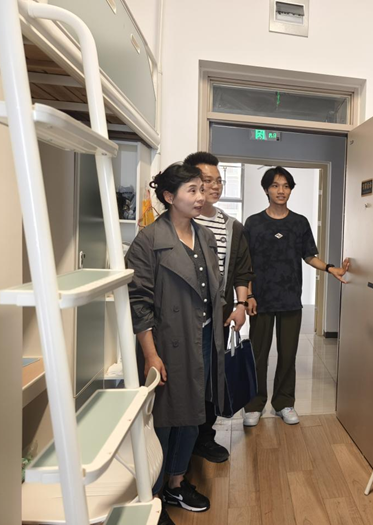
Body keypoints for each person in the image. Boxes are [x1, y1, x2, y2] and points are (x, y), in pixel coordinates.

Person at [126, 163, 226, 524]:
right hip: (167, 342)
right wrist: (150, 354)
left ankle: (177, 482)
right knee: (165, 419)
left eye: (202, 189)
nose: (201, 197)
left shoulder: (205, 236)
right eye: (192, 190)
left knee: (193, 413)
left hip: (203, 338)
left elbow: (214, 288)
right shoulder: (149, 241)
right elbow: (138, 303)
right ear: (169, 197)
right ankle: (152, 496)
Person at [242, 166, 350, 427]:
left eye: (286, 186)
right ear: (266, 189)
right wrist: (249, 295)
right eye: (275, 185)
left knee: (288, 354)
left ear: (290, 190)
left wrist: (330, 268)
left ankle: (284, 403)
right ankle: (254, 405)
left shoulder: (299, 222)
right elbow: (246, 263)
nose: (281, 190)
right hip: (261, 299)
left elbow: (309, 255)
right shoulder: (254, 223)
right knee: (258, 354)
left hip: (290, 299)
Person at [184, 151, 254, 464]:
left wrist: (240, 304)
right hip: (182, 318)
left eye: (218, 181)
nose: (214, 186)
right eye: (206, 181)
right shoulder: (179, 220)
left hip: (218, 317)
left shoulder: (231, 226)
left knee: (213, 377)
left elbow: (241, 270)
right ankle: (180, 442)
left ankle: (204, 437)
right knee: (186, 380)